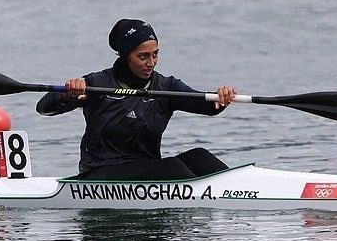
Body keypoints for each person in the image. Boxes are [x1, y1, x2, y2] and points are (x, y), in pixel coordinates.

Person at [36, 19, 237, 180]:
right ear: (126, 56)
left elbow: (206, 106)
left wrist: (221, 98)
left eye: (155, 54)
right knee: (171, 167)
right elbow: (44, 108)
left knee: (200, 157)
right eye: (143, 56)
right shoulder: (96, 84)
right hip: (99, 173)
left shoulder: (166, 86)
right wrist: (65, 94)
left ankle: (242, 192)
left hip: (148, 169)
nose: (151, 63)